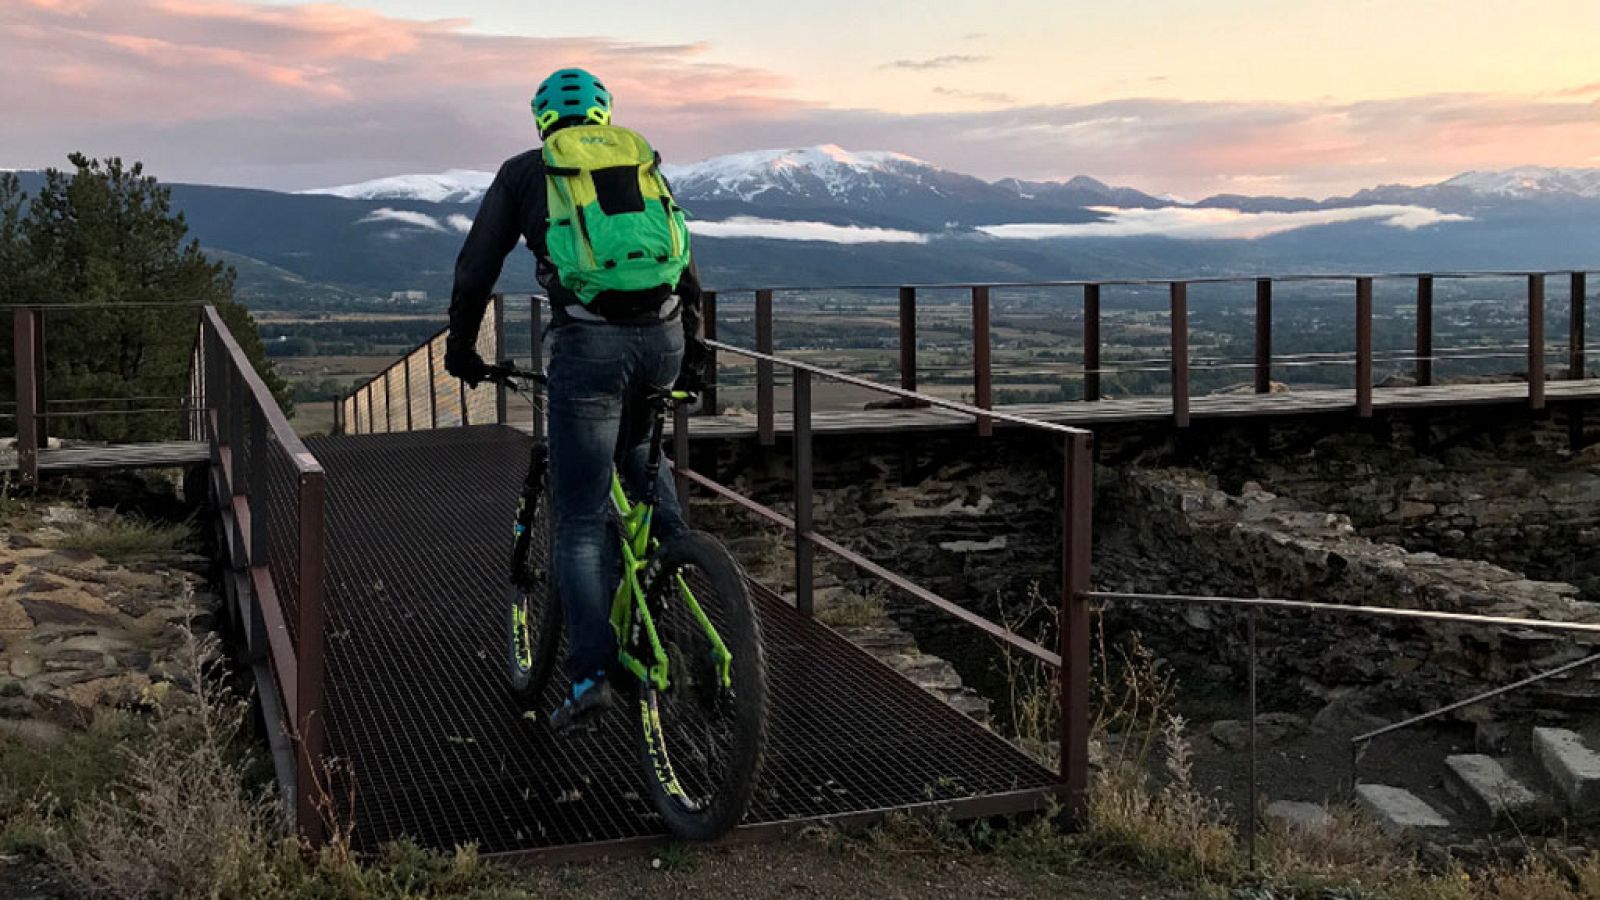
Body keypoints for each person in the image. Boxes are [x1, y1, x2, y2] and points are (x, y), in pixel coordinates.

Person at [445, 67, 709, 730]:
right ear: (604, 114)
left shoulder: (526, 172)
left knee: (582, 520)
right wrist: (695, 350)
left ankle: (590, 675)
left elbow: (476, 267)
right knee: (641, 452)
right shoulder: (639, 160)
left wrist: (461, 347)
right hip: (664, 338)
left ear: (542, 120)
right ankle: (686, 585)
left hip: (588, 347)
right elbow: (684, 266)